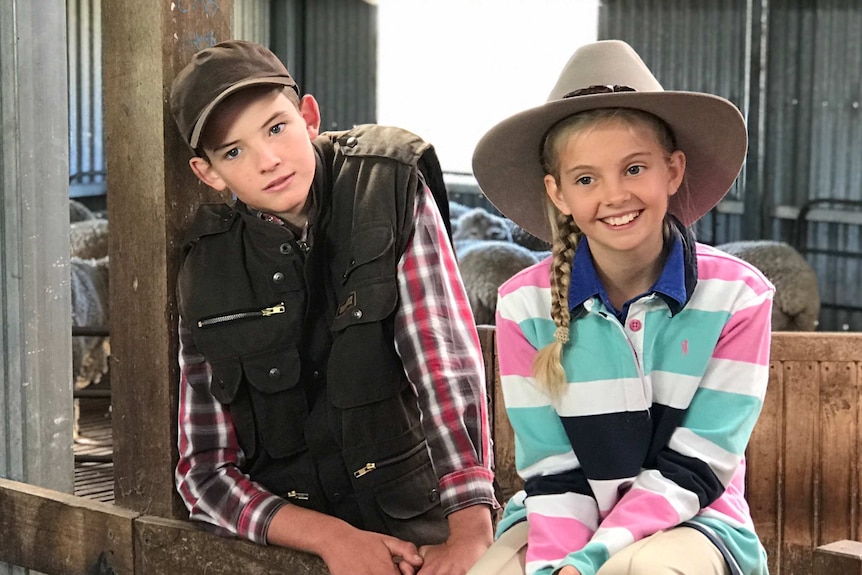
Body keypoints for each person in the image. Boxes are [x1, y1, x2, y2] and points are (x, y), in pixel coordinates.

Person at [168, 40, 496, 575]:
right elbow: (204, 472)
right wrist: (329, 538)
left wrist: (470, 531)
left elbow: (442, 364)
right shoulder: (206, 267)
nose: (267, 160)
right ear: (208, 173)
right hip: (293, 547)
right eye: (233, 152)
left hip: (421, 529)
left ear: (309, 116)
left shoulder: (387, 185)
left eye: (276, 128)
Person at [468, 40, 773, 575]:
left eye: (634, 169)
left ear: (672, 171)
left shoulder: (738, 298)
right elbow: (552, 470)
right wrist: (557, 567)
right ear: (559, 193)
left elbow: (697, 468)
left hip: (694, 520)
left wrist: (587, 563)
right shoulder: (523, 306)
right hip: (560, 516)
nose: (614, 195)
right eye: (586, 178)